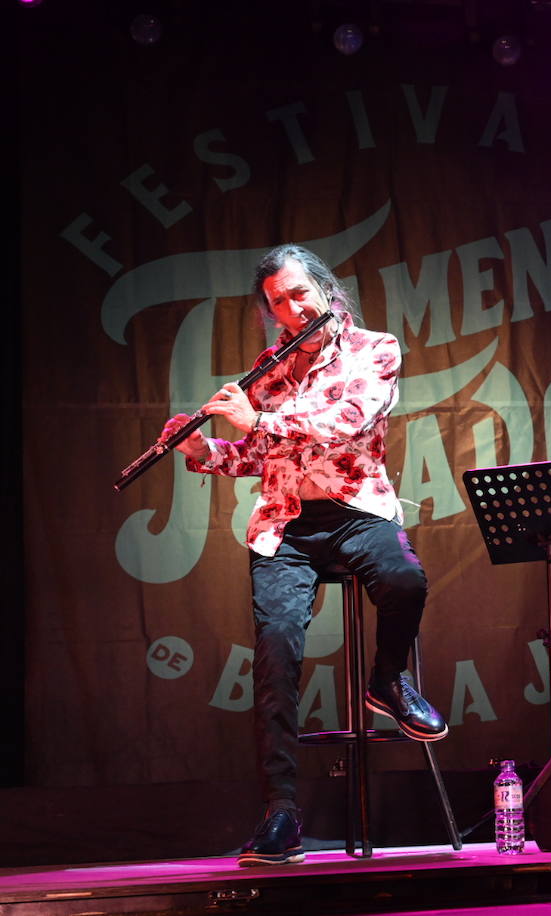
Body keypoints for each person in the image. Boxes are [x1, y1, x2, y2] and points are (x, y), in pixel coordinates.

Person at [162, 244, 448, 866]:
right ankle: (282, 812)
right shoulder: (271, 368)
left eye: (298, 294)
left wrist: (255, 421)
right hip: (285, 524)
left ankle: (387, 680)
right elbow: (255, 457)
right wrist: (203, 449)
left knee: (404, 580)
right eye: (277, 304)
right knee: (276, 653)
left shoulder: (378, 349)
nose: (291, 310)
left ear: (325, 290)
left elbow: (343, 422)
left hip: (356, 508)